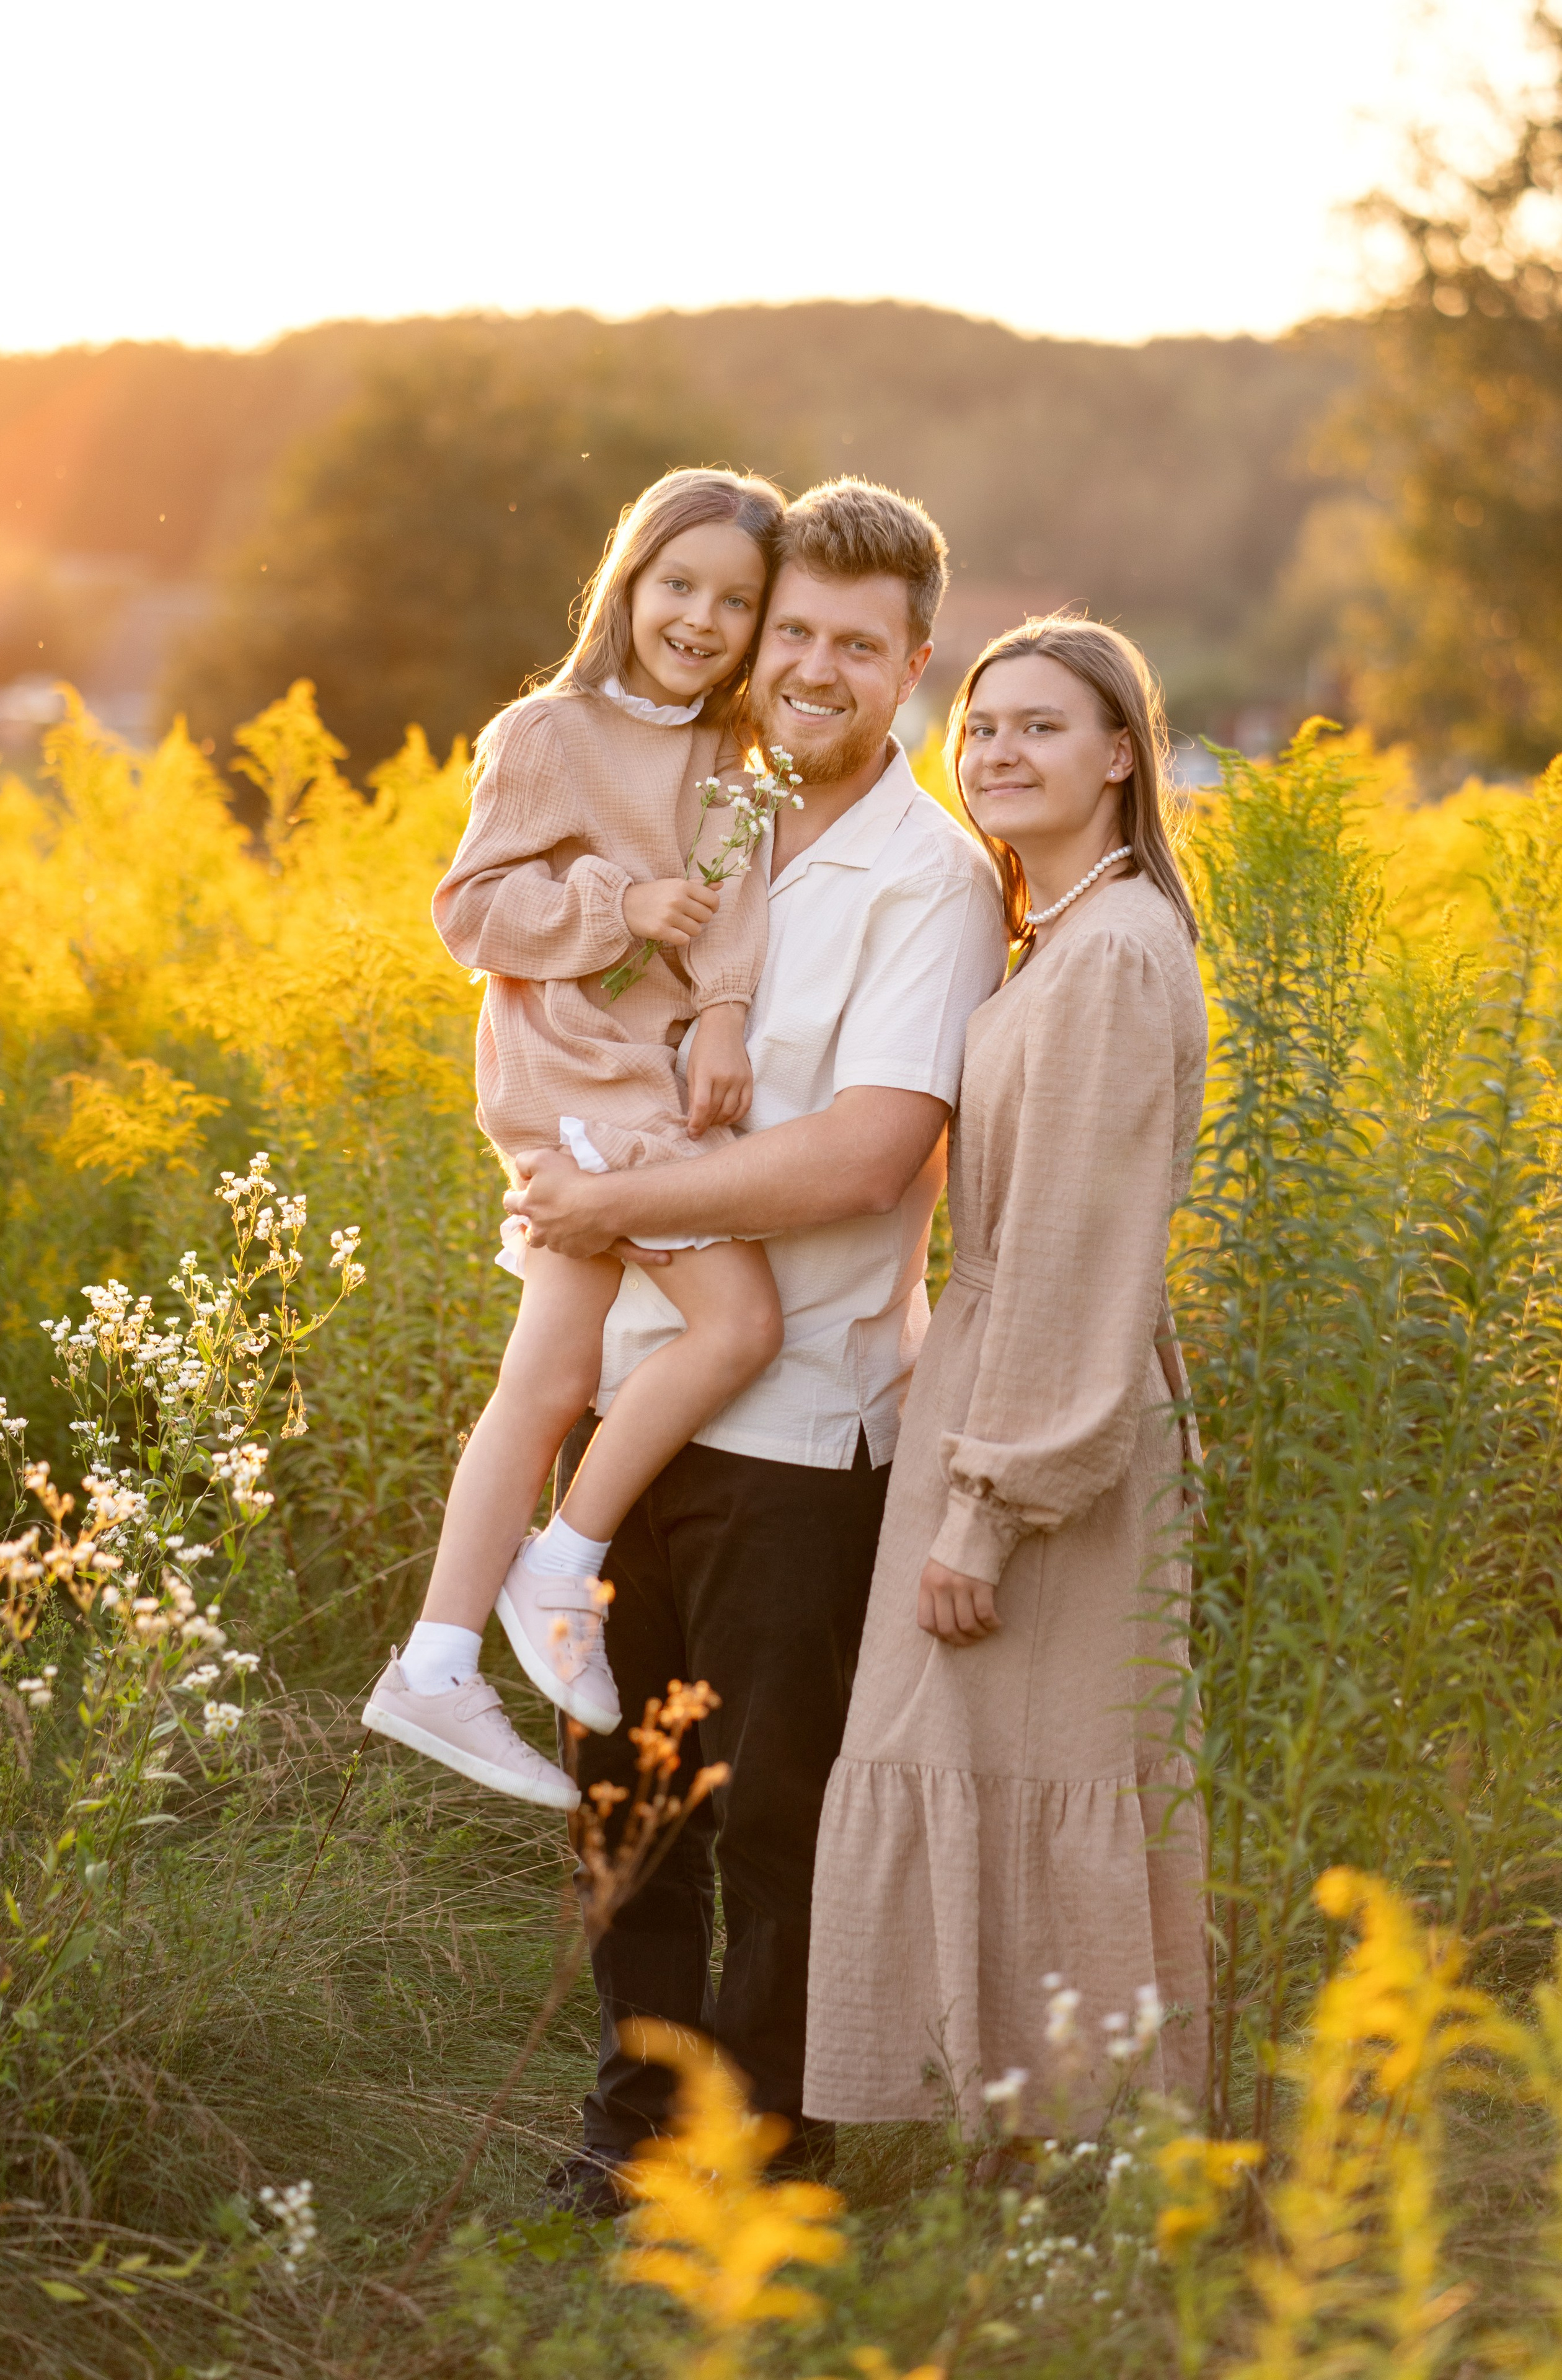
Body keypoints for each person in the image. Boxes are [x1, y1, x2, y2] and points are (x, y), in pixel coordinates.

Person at [504, 479, 1008, 2207]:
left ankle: (771, 2158)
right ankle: (636, 2131)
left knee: (774, 1812)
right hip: (631, 1381)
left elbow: (868, 1155)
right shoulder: (705, 810)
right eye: (791, 630)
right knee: (622, 1799)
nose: (808, 666)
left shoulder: (929, 880)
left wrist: (617, 1201)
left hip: (797, 1422)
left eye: (856, 645)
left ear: (914, 666)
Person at [804, 615, 1209, 2139]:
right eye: (980, 727)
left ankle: (1070, 2147)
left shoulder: (1110, 956)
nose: (997, 753)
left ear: (1118, 757)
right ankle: (1019, 2143)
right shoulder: (1067, 936)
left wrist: (988, 1506)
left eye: (1041, 726)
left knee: (1021, 1753)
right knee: (990, 1750)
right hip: (998, 1384)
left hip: (1043, 1428)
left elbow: (1075, 1252)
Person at [363, 468, 788, 1810]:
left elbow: (730, 910)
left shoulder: (728, 756)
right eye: (679, 584)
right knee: (739, 1325)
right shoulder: (548, 731)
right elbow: (470, 912)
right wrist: (617, 904)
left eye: (736, 601)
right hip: (581, 1084)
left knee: (547, 1377)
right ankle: (565, 1557)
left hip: (647, 1080)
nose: (701, 618)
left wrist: (722, 1018)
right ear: (628, 582)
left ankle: (437, 1663)